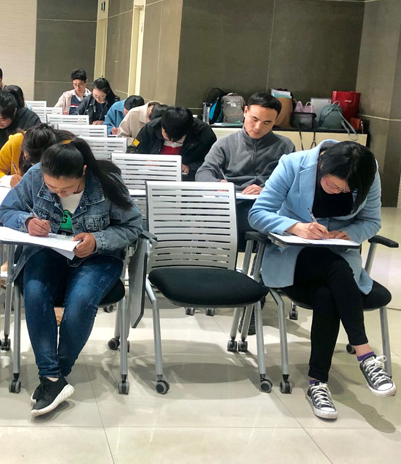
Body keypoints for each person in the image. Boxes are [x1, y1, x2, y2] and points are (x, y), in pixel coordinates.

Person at [249, 141, 396, 420]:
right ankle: (365, 355)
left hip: (336, 256)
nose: (340, 192)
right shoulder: (293, 165)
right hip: (292, 256)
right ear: (321, 166)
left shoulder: (367, 171)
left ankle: (318, 383)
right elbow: (257, 213)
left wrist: (350, 234)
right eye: (333, 186)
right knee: (336, 270)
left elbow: (371, 221)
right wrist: (295, 227)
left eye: (346, 191)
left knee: (327, 294)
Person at [0, 139, 142, 417]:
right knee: (34, 291)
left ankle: (54, 376)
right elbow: (7, 210)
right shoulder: (35, 176)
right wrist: (27, 222)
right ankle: (53, 378)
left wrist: (97, 240)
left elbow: (133, 227)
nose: (58, 193)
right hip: (47, 250)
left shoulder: (106, 183)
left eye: (66, 189)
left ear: (83, 172)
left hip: (97, 256)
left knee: (82, 300)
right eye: (51, 188)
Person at [196, 92, 295, 249]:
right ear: (245, 111)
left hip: (268, 207)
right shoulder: (225, 143)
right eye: (254, 119)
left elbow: (293, 181)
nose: (258, 127)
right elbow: (204, 172)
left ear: (275, 121)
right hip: (234, 204)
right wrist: (218, 184)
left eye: (267, 122)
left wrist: (267, 189)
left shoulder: (285, 146)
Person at [133, 105, 216, 180]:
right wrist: (145, 161)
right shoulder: (150, 128)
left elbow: (213, 163)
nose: (171, 141)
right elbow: (133, 149)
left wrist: (190, 168)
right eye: (167, 137)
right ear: (162, 126)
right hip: (152, 177)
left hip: (187, 181)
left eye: (178, 139)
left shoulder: (204, 134)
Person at [0, 124, 74, 187]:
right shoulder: (16, 142)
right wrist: (7, 180)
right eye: (29, 159)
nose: (34, 166)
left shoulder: (67, 148)